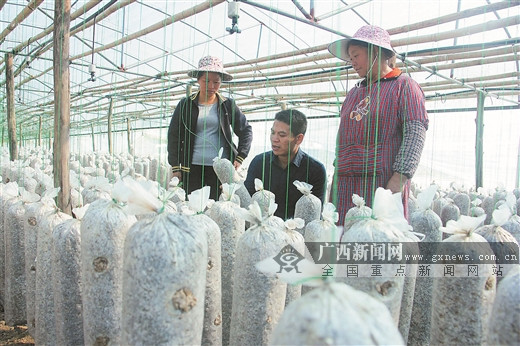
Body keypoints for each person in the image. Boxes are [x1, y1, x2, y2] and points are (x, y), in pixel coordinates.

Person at [328, 25, 428, 225]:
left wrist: (398, 181)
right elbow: (342, 142)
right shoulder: (353, 94)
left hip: (381, 186)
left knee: (376, 244)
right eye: (350, 58)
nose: (352, 63)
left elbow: (415, 134)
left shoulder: (404, 86)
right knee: (345, 244)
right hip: (346, 184)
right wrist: (334, 184)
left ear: (375, 51)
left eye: (356, 55)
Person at [167, 56, 252, 200]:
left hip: (220, 169)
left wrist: (241, 156)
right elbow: (173, 136)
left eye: (216, 82)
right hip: (191, 167)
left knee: (218, 205)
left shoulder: (227, 105)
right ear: (198, 80)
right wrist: (176, 167)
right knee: (192, 206)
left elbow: (246, 131)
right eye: (206, 81)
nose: (212, 86)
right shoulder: (185, 105)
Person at [244, 109, 327, 220]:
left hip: (297, 234)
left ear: (299, 138)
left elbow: (314, 213)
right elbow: (247, 200)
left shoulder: (315, 170)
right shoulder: (259, 163)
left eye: (282, 135)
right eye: (273, 133)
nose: (274, 139)